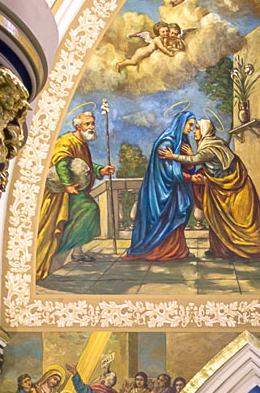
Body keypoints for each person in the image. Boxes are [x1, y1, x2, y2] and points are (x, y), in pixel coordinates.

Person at [175, 115, 260, 259]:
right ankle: (221, 249)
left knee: (239, 220)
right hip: (223, 188)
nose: (194, 132)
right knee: (219, 217)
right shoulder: (215, 143)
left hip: (233, 188)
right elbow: (211, 165)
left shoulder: (209, 148)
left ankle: (251, 248)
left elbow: (195, 160)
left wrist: (172, 156)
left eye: (197, 128)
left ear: (205, 131)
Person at [33, 108, 113, 280]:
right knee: (88, 209)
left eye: (92, 124)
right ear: (79, 126)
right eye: (87, 124)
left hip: (73, 188)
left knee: (89, 210)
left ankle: (77, 250)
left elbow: (85, 166)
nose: (91, 127)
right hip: (61, 192)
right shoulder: (67, 141)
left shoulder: (81, 143)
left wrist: (101, 170)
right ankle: (67, 249)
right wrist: (68, 185)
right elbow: (62, 164)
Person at [125, 108, 197, 261]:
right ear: (181, 123)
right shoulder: (166, 143)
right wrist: (190, 178)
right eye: (189, 125)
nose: (191, 129)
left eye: (193, 126)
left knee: (176, 219)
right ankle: (157, 252)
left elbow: (188, 167)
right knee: (163, 221)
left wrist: (191, 158)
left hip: (177, 191)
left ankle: (178, 251)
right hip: (162, 191)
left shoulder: (182, 142)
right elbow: (168, 171)